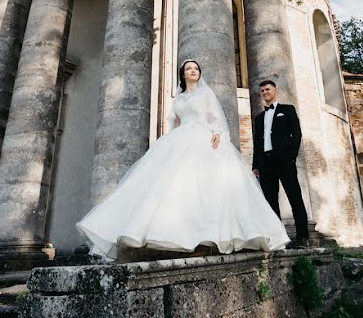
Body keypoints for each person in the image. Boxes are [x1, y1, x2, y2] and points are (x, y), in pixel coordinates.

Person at [77, 59, 289, 260]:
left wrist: (218, 134)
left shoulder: (206, 94)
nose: (193, 70)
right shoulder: (178, 99)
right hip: (180, 139)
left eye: (196, 68)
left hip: (203, 138)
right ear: (183, 74)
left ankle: (205, 240)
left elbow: (216, 117)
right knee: (175, 188)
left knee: (205, 189)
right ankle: (173, 235)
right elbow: (175, 123)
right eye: (189, 68)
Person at [252, 80, 309, 248]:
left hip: (285, 161)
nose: (264, 92)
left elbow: (296, 134)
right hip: (265, 164)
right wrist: (256, 165)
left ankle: (303, 237)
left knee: (295, 198)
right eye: (262, 91)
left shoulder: (287, 110)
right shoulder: (259, 118)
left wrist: (291, 156)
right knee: (270, 202)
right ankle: (279, 238)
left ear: (275, 90)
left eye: (267, 89)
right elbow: (257, 143)